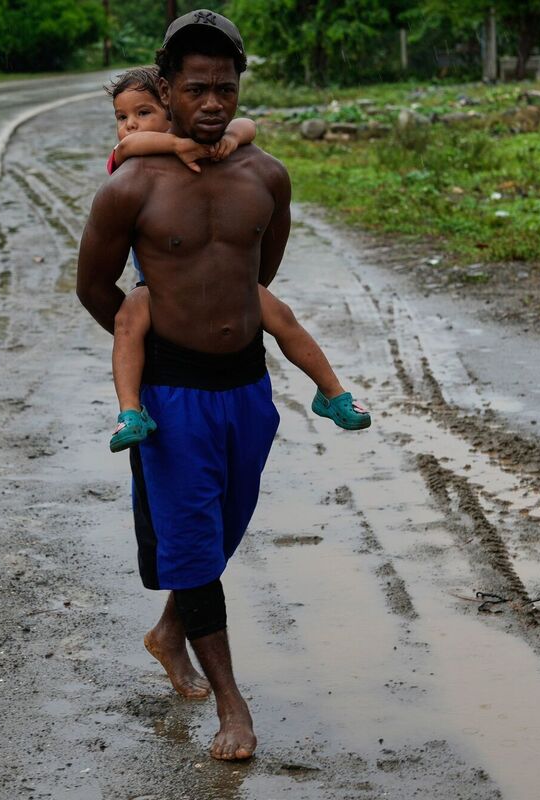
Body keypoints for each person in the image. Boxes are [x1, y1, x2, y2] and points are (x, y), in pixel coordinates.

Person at [78, 9, 314, 762]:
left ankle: (170, 630)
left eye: (226, 87)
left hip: (246, 387)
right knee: (192, 542)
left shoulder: (267, 176)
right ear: (168, 92)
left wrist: (219, 319)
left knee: (219, 530)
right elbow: (93, 289)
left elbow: (258, 274)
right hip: (173, 396)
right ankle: (232, 705)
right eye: (196, 89)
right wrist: (156, 338)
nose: (213, 103)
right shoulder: (131, 188)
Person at [101, 66, 370, 452]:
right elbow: (126, 148)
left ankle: (331, 392)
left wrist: (229, 136)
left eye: (143, 113)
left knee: (282, 316)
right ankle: (130, 411)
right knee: (128, 320)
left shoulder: (212, 150)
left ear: (172, 109)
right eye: (121, 117)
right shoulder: (133, 164)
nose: (130, 126)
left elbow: (248, 124)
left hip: (229, 285)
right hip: (160, 290)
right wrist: (175, 147)